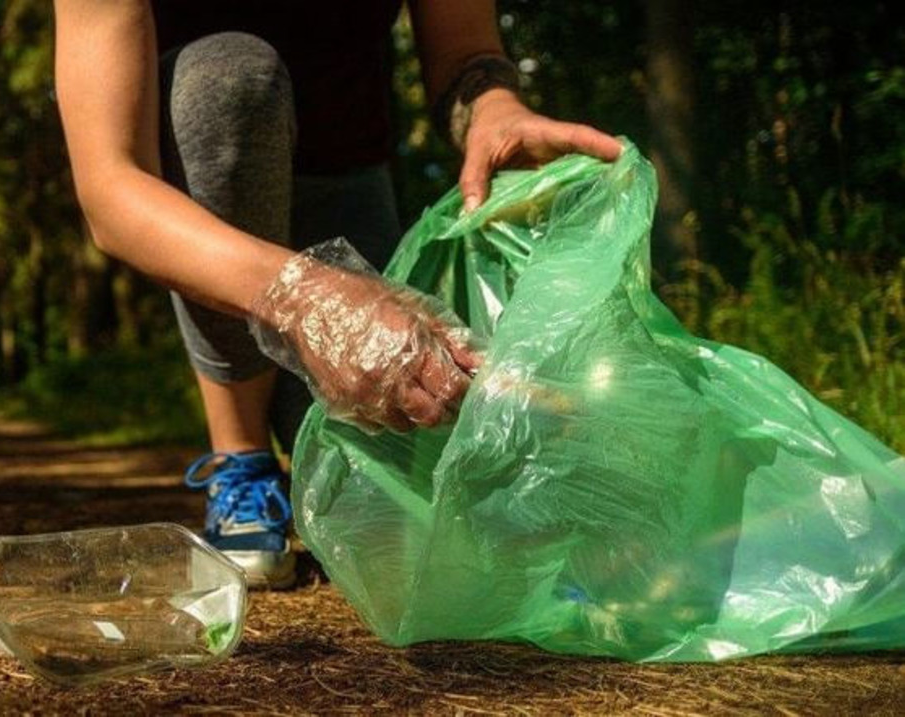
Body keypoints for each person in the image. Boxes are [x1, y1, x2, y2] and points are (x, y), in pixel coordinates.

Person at [52, 0, 622, 587]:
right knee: (229, 80)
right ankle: (241, 457)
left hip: (346, 181)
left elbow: (463, 53)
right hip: (204, 196)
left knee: (391, 507)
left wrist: (494, 109)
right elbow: (110, 188)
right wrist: (309, 300)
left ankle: (310, 452)